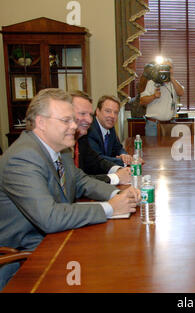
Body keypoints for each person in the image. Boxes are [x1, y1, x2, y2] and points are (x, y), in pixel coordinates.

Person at [0, 88, 140, 290]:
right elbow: (50, 217)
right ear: (41, 122)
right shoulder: (23, 158)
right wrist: (110, 208)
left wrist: (119, 195)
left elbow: (81, 181)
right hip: (22, 258)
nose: (74, 126)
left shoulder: (61, 149)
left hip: (55, 240)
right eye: (66, 121)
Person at [71, 90, 131, 185]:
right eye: (82, 113)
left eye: (90, 115)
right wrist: (116, 176)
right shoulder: (87, 132)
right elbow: (75, 181)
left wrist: (119, 168)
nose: (88, 120)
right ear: (97, 112)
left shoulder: (81, 137)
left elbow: (96, 160)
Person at [139, 58, 185, 136]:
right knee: (152, 148)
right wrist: (154, 96)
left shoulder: (174, 83)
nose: (167, 70)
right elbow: (142, 101)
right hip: (153, 125)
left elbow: (180, 93)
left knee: (170, 148)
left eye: (169, 68)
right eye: (165, 67)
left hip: (170, 125)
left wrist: (172, 78)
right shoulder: (152, 83)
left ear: (173, 70)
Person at [87, 95, 132, 166]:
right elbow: (98, 159)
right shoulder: (89, 129)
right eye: (108, 111)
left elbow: (118, 148)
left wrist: (124, 155)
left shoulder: (110, 127)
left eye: (116, 112)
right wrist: (124, 162)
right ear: (98, 111)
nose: (112, 116)